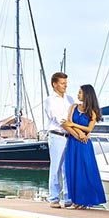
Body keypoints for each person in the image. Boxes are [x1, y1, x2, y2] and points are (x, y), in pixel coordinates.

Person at [64, 84, 106, 208]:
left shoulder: (93, 112)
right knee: (73, 170)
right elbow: (67, 124)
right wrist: (79, 133)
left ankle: (84, 201)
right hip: (73, 142)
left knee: (85, 171)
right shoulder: (74, 107)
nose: (78, 95)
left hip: (84, 145)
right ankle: (75, 201)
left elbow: (88, 128)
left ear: (87, 95)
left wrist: (74, 125)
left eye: (80, 92)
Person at [43, 72, 75, 209]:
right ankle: (54, 198)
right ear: (55, 84)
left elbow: (73, 117)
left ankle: (68, 198)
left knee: (67, 168)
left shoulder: (70, 99)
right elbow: (59, 119)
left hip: (70, 136)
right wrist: (76, 131)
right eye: (62, 83)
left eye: (66, 83)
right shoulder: (50, 100)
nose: (65, 86)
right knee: (55, 167)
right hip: (57, 135)